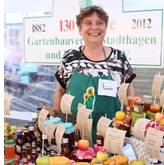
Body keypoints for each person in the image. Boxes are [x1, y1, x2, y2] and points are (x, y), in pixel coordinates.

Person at [53, 5, 135, 144]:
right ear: (80, 29)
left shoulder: (118, 58)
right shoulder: (70, 58)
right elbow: (60, 91)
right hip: (74, 134)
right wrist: (57, 124)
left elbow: (129, 95)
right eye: (88, 23)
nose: (94, 27)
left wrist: (127, 128)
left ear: (105, 28)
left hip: (109, 137)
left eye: (99, 23)